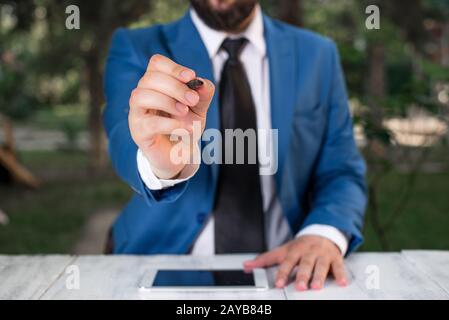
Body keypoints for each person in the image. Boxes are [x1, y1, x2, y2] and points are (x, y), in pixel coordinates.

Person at [103, 0, 367, 291]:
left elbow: (341, 169)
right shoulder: (135, 46)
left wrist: (324, 232)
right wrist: (161, 166)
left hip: (286, 272)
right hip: (161, 262)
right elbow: (122, 136)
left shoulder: (318, 55)